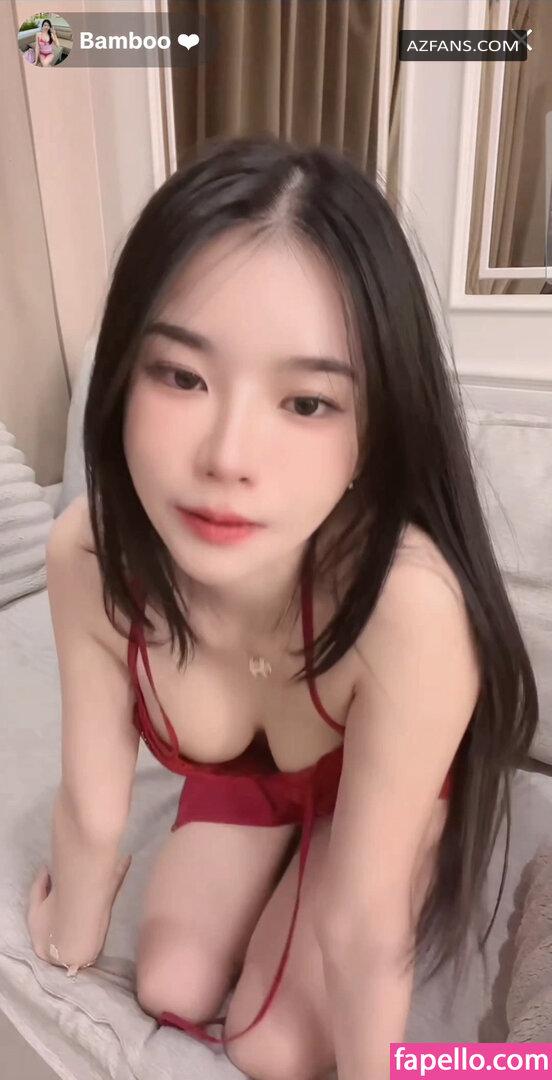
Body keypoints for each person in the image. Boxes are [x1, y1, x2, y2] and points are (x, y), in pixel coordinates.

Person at [26, 134, 538, 1076]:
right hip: (249, 778)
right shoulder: (91, 559)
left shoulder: (408, 608)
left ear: (375, 426)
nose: (227, 457)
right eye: (181, 376)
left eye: (306, 403)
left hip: (377, 780)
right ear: (123, 378)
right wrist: (66, 941)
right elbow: (94, 813)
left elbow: (364, 927)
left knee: (274, 1049)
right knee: (171, 984)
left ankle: (369, 838)